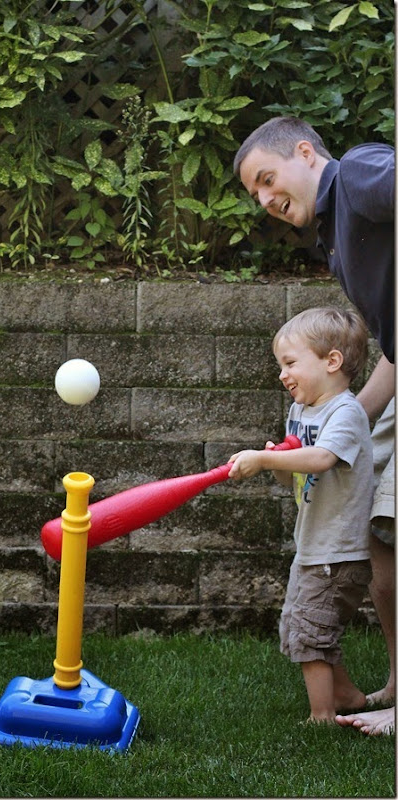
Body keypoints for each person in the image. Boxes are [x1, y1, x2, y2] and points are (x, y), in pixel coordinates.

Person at [233, 117, 395, 735]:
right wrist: (345, 417)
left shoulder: (355, 176)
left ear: (305, 153)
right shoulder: (335, 236)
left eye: (267, 179)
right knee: (381, 534)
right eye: (255, 193)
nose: (265, 199)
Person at [228, 306, 373, 724]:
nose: (282, 374)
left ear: (332, 361)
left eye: (290, 363)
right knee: (300, 624)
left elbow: (323, 458)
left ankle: (321, 717)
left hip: (338, 552)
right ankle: (346, 695)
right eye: (281, 365)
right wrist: (277, 459)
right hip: (313, 546)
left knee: (311, 632)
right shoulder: (302, 411)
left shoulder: (345, 412)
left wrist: (266, 459)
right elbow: (294, 471)